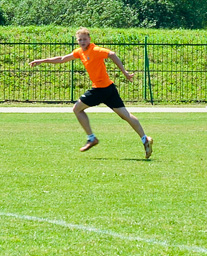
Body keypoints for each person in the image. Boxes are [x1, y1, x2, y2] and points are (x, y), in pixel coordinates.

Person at [29, 27, 153, 159]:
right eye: (80, 39)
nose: (82, 41)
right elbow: (62, 58)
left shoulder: (95, 50)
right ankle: (145, 139)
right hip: (109, 88)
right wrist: (42, 61)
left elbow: (112, 54)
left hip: (101, 89)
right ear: (77, 41)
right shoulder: (79, 52)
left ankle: (91, 138)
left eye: (84, 39)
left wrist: (124, 72)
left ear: (89, 39)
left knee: (77, 109)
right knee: (125, 115)